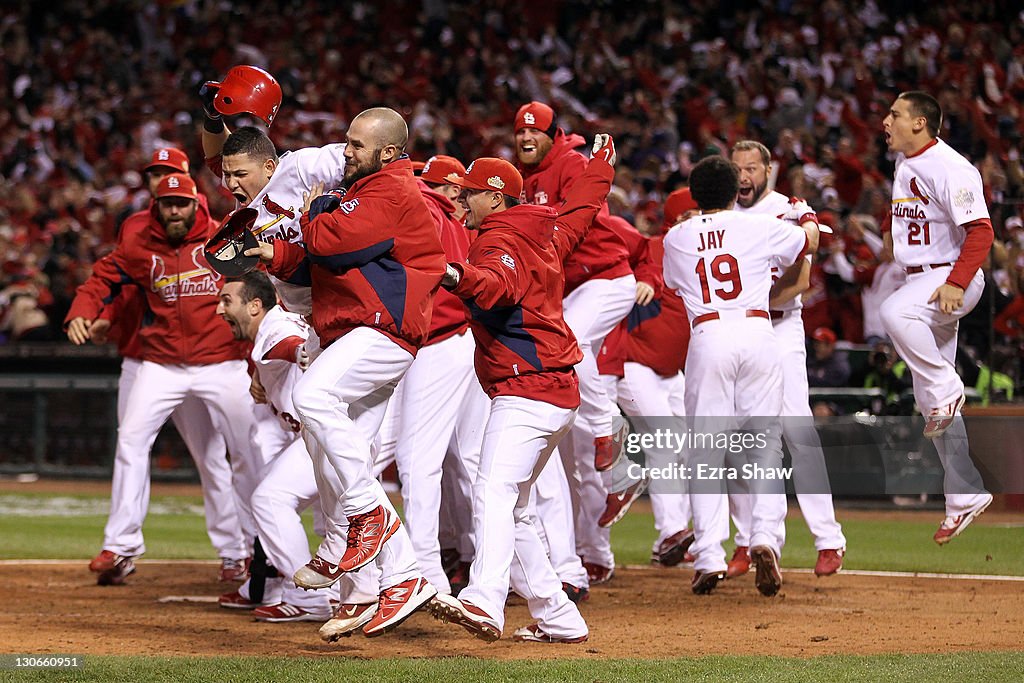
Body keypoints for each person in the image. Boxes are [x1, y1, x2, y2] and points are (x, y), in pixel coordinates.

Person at [249, 107, 443, 637]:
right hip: (352, 328)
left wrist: (313, 213)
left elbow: (334, 244)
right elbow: (317, 260)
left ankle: (367, 523)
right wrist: (271, 251)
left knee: (311, 400)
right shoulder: (367, 188)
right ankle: (401, 576)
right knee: (334, 457)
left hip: (382, 328)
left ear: (386, 152)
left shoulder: (391, 189)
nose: (345, 151)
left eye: (356, 144)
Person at [427, 134, 617, 644]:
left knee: (492, 490)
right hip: (554, 388)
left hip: (528, 387)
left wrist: (453, 273)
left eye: (469, 193)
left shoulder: (497, 238)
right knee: (516, 506)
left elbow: (496, 283)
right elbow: (583, 205)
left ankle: (485, 601)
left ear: (495, 198)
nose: (461, 200)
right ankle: (558, 616)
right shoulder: (546, 227)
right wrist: (600, 168)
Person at [65, 173, 267, 586]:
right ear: (155, 204)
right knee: (131, 440)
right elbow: (103, 277)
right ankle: (120, 545)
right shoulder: (140, 244)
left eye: (182, 202)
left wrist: (256, 361)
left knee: (244, 453)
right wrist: (82, 311)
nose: (175, 209)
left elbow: (261, 287)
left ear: (197, 202)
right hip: (161, 364)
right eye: (167, 202)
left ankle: (249, 550)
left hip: (222, 362)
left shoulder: (221, 238)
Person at [662, 155, 820, 597]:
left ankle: (709, 555)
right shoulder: (758, 225)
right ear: (736, 191)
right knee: (764, 445)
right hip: (758, 329)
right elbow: (806, 242)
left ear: (695, 196)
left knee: (705, 451)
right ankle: (764, 537)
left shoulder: (676, 237)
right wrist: (805, 214)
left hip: (709, 333)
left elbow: (675, 285)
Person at [514, 101, 634, 586]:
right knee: (566, 396)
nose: (525, 138)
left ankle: (609, 431)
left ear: (553, 133)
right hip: (575, 289)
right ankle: (616, 479)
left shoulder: (570, 163)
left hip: (606, 278)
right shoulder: (523, 178)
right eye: (519, 132)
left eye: (534, 132)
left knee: (574, 342)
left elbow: (578, 217)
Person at [726, 140, 847, 579]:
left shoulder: (791, 211)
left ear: (767, 170)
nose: (744, 176)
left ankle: (829, 539)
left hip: (779, 327)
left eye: (752, 168)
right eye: (737, 167)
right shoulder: (720, 214)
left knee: (796, 427)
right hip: (737, 332)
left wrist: (755, 303)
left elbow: (800, 281)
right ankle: (752, 541)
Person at [880, 90, 995, 543]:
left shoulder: (951, 166)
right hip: (923, 279)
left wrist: (956, 281)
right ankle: (964, 494)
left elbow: (982, 231)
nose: (885, 122)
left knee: (894, 313)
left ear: (920, 123)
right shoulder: (906, 163)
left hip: (950, 277)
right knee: (929, 402)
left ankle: (951, 389)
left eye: (895, 115)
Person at [214, 271, 334, 623]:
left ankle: (309, 597)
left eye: (227, 300)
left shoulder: (275, 325)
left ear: (254, 306)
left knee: (270, 499)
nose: (220, 309)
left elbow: (288, 343)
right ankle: (353, 592)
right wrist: (258, 373)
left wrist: (299, 352)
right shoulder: (267, 332)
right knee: (334, 522)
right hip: (330, 431)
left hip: (329, 433)